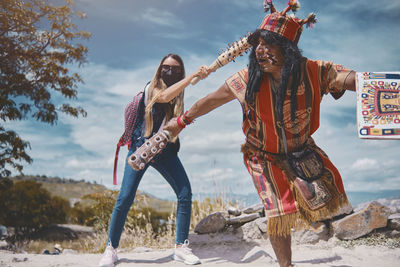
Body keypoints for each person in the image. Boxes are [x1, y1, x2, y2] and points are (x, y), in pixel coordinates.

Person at [164, 2, 356, 267]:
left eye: (269, 45)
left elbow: (351, 79)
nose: (259, 51)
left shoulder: (315, 71)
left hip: (302, 150)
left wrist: (384, 89)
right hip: (261, 154)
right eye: (257, 44)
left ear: (288, 51)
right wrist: (181, 121)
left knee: (324, 191)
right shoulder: (244, 79)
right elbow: (209, 101)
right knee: (278, 211)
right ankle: (285, 265)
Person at [98, 54, 209, 267]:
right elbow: (164, 96)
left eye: (175, 69)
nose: (170, 72)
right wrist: (193, 76)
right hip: (140, 147)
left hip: (164, 151)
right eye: (166, 68)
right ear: (160, 69)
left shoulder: (179, 95)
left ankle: (181, 248)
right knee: (125, 197)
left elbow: (173, 111)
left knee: (184, 193)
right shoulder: (152, 87)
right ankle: (111, 249)